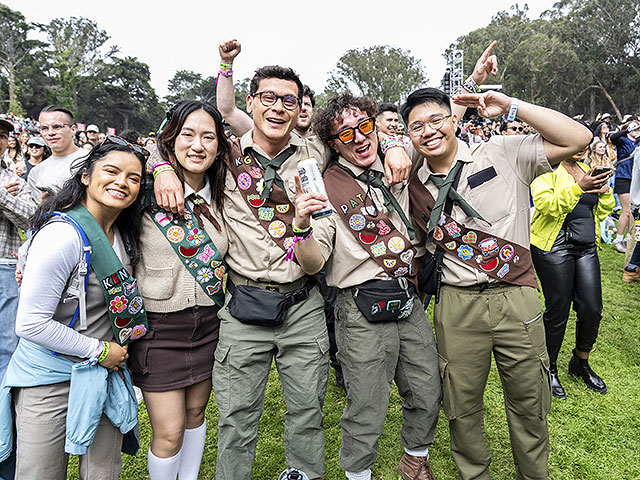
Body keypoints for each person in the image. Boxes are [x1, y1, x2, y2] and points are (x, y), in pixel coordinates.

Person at [155, 55, 411, 478]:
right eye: (268, 98)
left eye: (288, 101)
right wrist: (163, 167)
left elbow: (365, 140)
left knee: (307, 412)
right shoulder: (226, 154)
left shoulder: (318, 155)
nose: (278, 108)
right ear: (250, 103)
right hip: (243, 306)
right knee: (236, 417)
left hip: (303, 304)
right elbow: (168, 143)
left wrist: (398, 144)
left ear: (300, 109)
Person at [402, 87, 592, 480]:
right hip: (456, 305)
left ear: (455, 119)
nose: (429, 131)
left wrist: (511, 106)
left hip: (515, 295)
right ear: (408, 135)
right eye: (416, 126)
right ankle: (475, 475)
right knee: (461, 404)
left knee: (529, 399)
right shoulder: (413, 185)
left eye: (437, 119)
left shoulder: (503, 152)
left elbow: (578, 138)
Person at [303, 93, 442, 480]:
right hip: (358, 303)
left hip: (407, 296)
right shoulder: (328, 186)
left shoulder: (397, 162)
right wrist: (301, 230)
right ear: (332, 144)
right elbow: (315, 259)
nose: (359, 138)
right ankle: (358, 474)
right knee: (366, 402)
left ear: (376, 126)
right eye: (345, 134)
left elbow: (441, 124)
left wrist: (397, 143)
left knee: (427, 387)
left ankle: (415, 459)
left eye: (365, 126)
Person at [0, 137, 148, 479]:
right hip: (48, 378)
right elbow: (31, 324)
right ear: (85, 176)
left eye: (134, 178)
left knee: (102, 473)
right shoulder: (62, 236)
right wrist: (100, 351)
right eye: (111, 171)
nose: (121, 182)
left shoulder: (124, 233)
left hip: (100, 377)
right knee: (39, 473)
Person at [130, 100, 230, 480]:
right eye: (187, 134)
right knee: (169, 433)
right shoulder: (143, 192)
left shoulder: (225, 193)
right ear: (170, 139)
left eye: (208, 136)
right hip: (159, 328)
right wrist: (158, 166)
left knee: (195, 415)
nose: (197, 145)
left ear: (220, 145)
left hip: (208, 325)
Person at [530, 144, 614, 399]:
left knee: (591, 308)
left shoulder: (587, 169)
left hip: (586, 244)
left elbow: (600, 211)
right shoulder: (545, 170)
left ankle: (580, 362)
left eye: (585, 144)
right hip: (554, 245)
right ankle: (549, 368)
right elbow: (545, 205)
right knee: (558, 309)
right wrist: (580, 187)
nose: (582, 148)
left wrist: (605, 192)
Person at [0, 118, 38, 385]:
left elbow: (29, 218)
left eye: (3, 134)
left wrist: (2, 197)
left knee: (7, 343)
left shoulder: (14, 180)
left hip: (4, 267)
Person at [28, 105, 87, 204]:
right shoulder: (36, 173)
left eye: (57, 126)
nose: (50, 133)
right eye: (44, 128)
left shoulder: (92, 159)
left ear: (73, 129)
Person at [609, 121, 639, 252]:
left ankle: (630, 238)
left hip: (635, 179)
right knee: (626, 211)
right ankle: (618, 239)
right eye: (634, 127)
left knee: (635, 212)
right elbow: (612, 138)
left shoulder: (637, 143)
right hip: (624, 177)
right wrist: (628, 130)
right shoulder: (622, 140)